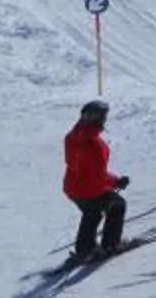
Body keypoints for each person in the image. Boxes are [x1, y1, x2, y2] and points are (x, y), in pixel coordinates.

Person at [62, 100, 128, 263]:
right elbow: (97, 175)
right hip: (88, 189)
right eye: (101, 116)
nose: (104, 119)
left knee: (92, 212)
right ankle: (111, 245)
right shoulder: (92, 143)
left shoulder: (74, 135)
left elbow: (86, 168)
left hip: (73, 188)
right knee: (117, 205)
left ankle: (85, 249)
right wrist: (116, 182)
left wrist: (113, 181)